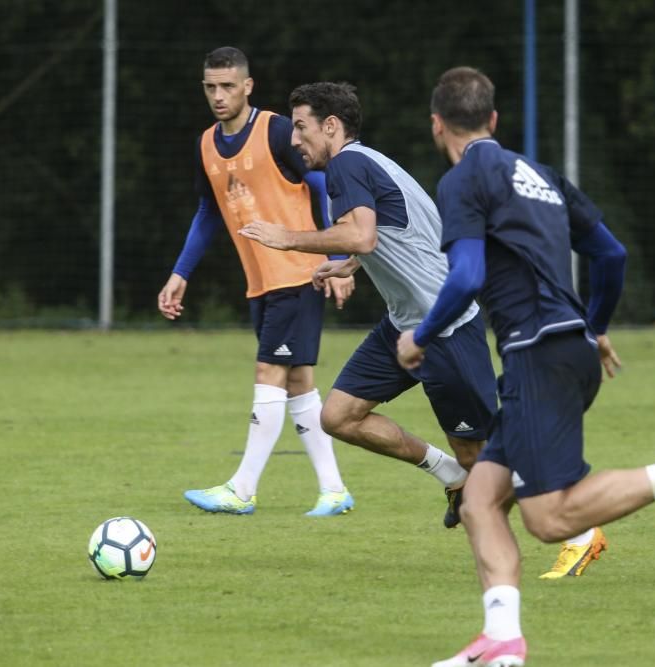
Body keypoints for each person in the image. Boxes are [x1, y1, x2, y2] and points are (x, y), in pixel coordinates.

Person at [396, 67, 655, 667]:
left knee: (550, 517)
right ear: (494, 120)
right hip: (558, 347)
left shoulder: (463, 179)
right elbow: (610, 254)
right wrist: (594, 326)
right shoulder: (539, 175)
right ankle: (501, 641)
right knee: (482, 499)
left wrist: (421, 335)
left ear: (437, 124)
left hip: (538, 352)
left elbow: (464, 276)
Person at [240, 82, 609, 580]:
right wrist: (350, 264)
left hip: (444, 327)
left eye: (301, 127)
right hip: (404, 324)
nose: (295, 140)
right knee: (340, 415)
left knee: (485, 451)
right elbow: (389, 230)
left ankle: (581, 531)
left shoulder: (348, 164)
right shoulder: (367, 161)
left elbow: (363, 232)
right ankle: (449, 475)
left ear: (331, 126)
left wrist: (290, 239)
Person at [157, 47, 356, 518]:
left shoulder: (278, 131)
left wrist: (336, 257)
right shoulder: (207, 143)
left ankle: (242, 488)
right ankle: (334, 490)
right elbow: (209, 212)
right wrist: (180, 272)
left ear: (248, 86)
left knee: (269, 373)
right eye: (210, 87)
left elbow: (325, 183)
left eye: (228, 86)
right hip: (260, 281)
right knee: (298, 383)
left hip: (297, 274)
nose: (218, 96)